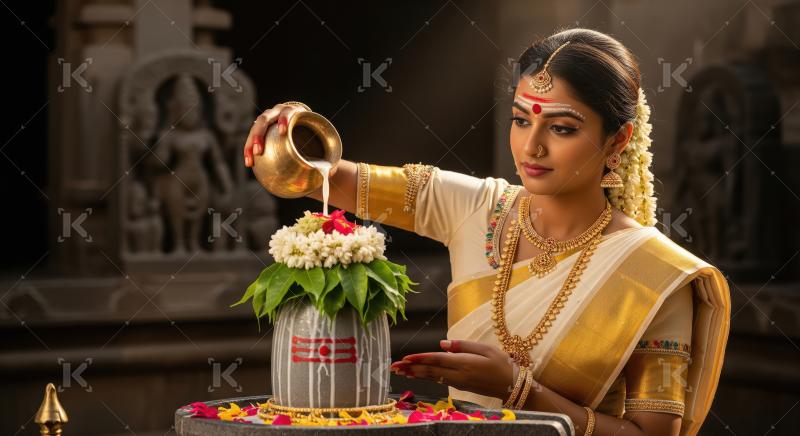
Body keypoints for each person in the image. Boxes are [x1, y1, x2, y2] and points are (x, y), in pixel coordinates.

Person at [242, 28, 730, 436]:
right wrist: (286, 127)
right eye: (520, 120)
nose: (531, 147)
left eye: (561, 128)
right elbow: (312, 175)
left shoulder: (654, 275)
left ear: (618, 139)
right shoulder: (473, 206)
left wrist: (521, 391)